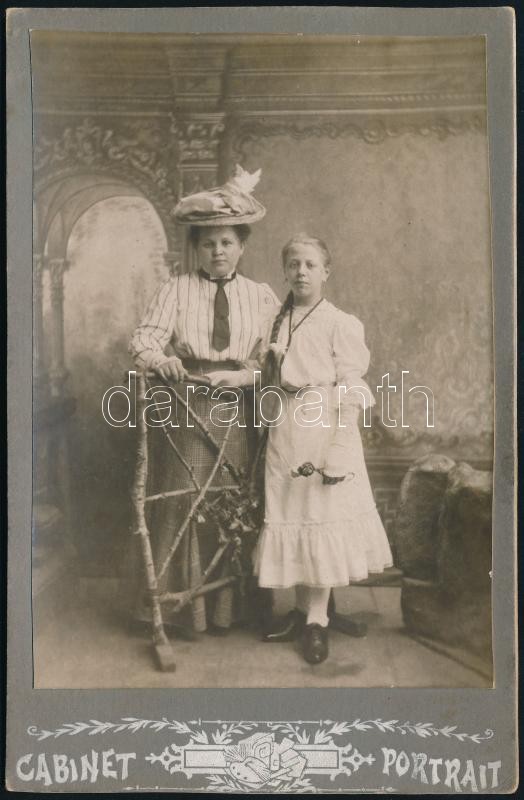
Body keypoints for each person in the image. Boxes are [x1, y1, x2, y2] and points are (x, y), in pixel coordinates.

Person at [129, 165, 279, 636]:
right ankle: (181, 609)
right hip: (186, 406)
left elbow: (275, 357)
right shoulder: (175, 289)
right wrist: (162, 361)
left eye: (227, 242)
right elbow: (142, 340)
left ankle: (227, 610)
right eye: (209, 243)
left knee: (232, 500)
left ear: (242, 246)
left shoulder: (261, 296)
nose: (218, 252)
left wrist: (249, 375)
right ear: (196, 247)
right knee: (186, 499)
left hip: (237, 408)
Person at [253, 233, 393, 664]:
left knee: (320, 515)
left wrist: (339, 450)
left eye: (310, 265)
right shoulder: (276, 320)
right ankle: (301, 611)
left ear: (326, 272)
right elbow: (263, 371)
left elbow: (350, 388)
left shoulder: (339, 323)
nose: (301, 272)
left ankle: (317, 620)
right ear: (285, 271)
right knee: (293, 515)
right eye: (294, 264)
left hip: (323, 427)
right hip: (285, 428)